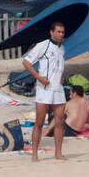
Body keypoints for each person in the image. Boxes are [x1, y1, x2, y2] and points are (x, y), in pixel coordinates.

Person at [22, 21, 68, 162]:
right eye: (58, 32)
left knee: (59, 121)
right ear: (51, 32)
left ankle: (58, 153)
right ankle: (34, 154)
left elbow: (59, 65)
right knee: (39, 122)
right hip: (44, 89)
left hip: (58, 90)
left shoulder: (63, 48)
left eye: (62, 32)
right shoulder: (43, 45)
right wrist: (39, 78)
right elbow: (26, 62)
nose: (61, 34)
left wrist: (61, 77)